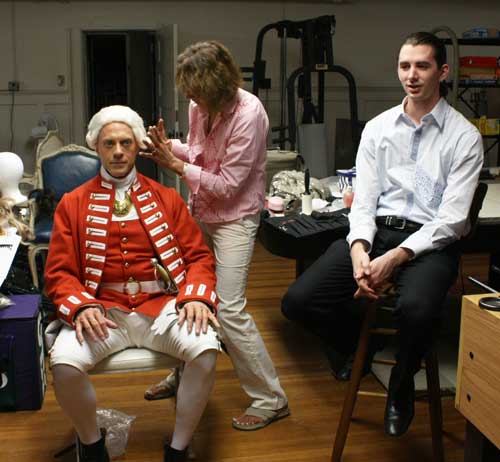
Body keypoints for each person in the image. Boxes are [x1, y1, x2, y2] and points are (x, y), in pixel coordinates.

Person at [281, 31, 483, 437]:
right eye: (405, 66)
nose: (412, 75)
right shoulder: (377, 128)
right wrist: (359, 250)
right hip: (378, 232)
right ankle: (363, 343)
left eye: (422, 66)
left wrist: (394, 259)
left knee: (418, 310)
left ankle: (401, 383)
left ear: (442, 72)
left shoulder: (464, 136)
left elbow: (453, 220)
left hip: (430, 242)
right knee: (299, 301)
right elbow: (364, 200)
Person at [44, 105, 221, 462]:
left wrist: (196, 298)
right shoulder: (72, 204)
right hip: (105, 313)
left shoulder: (166, 197)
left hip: (164, 310)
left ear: (138, 146)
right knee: (64, 363)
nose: (119, 151)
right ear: (96, 147)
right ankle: (93, 446)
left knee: (205, 351)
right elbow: (59, 273)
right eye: (110, 144)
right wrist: (81, 306)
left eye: (126, 142)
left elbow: (199, 258)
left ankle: (178, 448)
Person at [140, 40, 289, 431]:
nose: (190, 97)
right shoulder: (197, 105)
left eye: (197, 91)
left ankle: (271, 399)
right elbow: (197, 151)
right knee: (186, 297)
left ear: (218, 86)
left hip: (236, 218)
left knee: (230, 310)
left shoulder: (249, 114)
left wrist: (174, 165)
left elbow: (228, 185)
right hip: (201, 211)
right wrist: (162, 146)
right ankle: (182, 374)